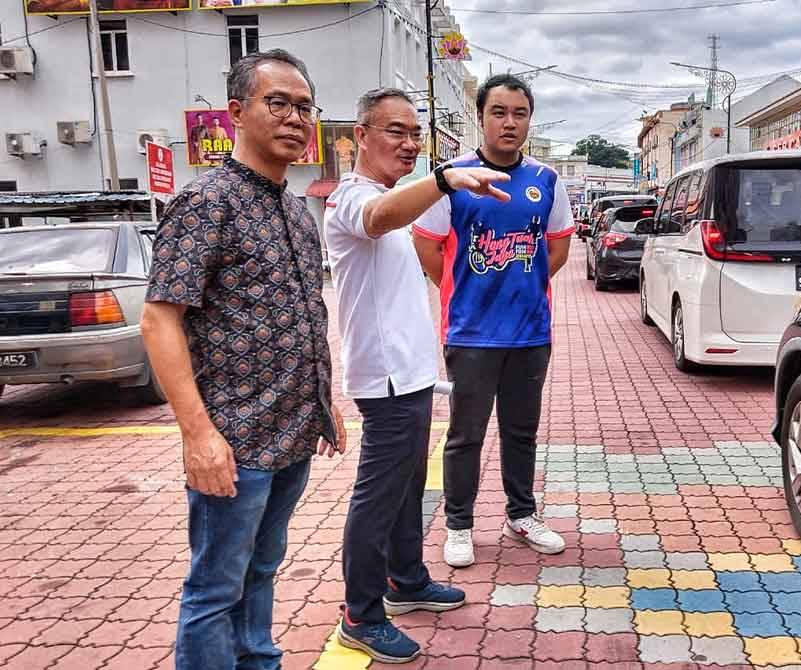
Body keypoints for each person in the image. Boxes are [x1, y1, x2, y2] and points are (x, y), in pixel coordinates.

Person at [141, 49, 347, 670]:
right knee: (214, 589)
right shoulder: (207, 201)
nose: (294, 117)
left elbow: (301, 312)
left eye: (304, 106)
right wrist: (197, 434)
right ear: (236, 113)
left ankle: (259, 661)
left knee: (261, 569)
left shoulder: (293, 209)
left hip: (289, 437)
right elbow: (160, 319)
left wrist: (323, 404)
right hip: (232, 443)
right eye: (277, 102)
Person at [325, 87, 510, 664]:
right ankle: (361, 612)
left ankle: (406, 580)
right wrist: (446, 177)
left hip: (410, 376)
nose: (408, 144)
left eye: (415, 135)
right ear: (360, 135)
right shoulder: (353, 200)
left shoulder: (390, 200)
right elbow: (378, 219)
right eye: (394, 132)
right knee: (377, 497)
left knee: (408, 488)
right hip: (382, 381)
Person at [412, 74, 575, 568]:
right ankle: (459, 524)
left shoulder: (546, 180)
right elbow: (426, 246)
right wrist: (468, 289)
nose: (509, 122)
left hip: (530, 332)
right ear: (480, 118)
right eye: (498, 112)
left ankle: (521, 515)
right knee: (466, 434)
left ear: (529, 119)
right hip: (470, 332)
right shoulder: (453, 177)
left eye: (519, 113)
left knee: (522, 431)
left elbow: (559, 246)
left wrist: (518, 286)